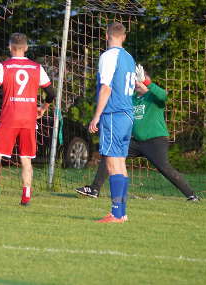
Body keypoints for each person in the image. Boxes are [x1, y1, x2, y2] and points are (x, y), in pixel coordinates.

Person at [75, 68, 199, 202]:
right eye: (135, 81)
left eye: (138, 80)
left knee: (164, 168)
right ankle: (94, 189)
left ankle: (191, 195)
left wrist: (146, 82)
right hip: (136, 142)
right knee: (111, 154)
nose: (135, 83)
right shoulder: (131, 99)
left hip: (156, 141)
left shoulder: (153, 96)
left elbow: (164, 95)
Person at [0, 32, 55, 207]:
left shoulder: (4, 66)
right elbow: (51, 93)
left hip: (9, 118)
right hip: (28, 119)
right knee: (26, 159)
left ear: (10, 47)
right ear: (26, 48)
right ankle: (26, 198)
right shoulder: (36, 68)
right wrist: (43, 108)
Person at [88, 22, 136, 223]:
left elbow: (106, 88)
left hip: (113, 113)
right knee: (120, 163)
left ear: (106, 35)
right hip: (127, 114)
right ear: (123, 37)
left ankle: (116, 213)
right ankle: (121, 213)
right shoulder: (129, 58)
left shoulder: (108, 56)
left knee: (111, 163)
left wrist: (97, 115)